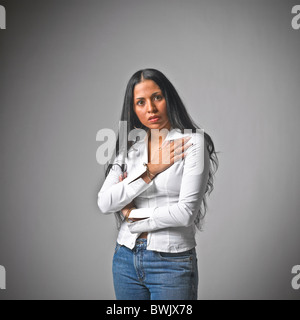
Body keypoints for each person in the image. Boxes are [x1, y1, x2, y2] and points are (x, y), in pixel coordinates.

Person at [97, 68, 218, 300]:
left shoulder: (192, 144)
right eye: (140, 102)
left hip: (171, 261)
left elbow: (185, 214)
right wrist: (150, 171)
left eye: (157, 97)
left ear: (168, 98)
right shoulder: (130, 150)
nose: (150, 108)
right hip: (125, 259)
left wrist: (133, 215)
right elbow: (104, 202)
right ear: (133, 109)